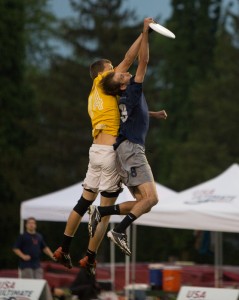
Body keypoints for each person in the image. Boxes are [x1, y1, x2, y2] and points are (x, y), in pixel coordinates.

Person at [53, 25, 146, 274]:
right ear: (103, 71)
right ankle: (90, 257)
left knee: (83, 202)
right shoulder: (104, 78)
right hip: (110, 154)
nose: (116, 69)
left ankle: (63, 247)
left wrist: (152, 114)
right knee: (103, 213)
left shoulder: (95, 93)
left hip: (95, 149)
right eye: (111, 66)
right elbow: (130, 58)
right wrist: (144, 32)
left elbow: (127, 110)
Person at [88, 17, 162, 256]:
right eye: (116, 73)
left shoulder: (119, 97)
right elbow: (141, 60)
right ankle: (119, 231)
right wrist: (144, 33)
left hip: (124, 150)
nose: (122, 72)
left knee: (144, 204)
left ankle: (102, 212)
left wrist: (153, 114)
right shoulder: (128, 87)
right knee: (151, 199)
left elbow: (132, 114)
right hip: (131, 150)